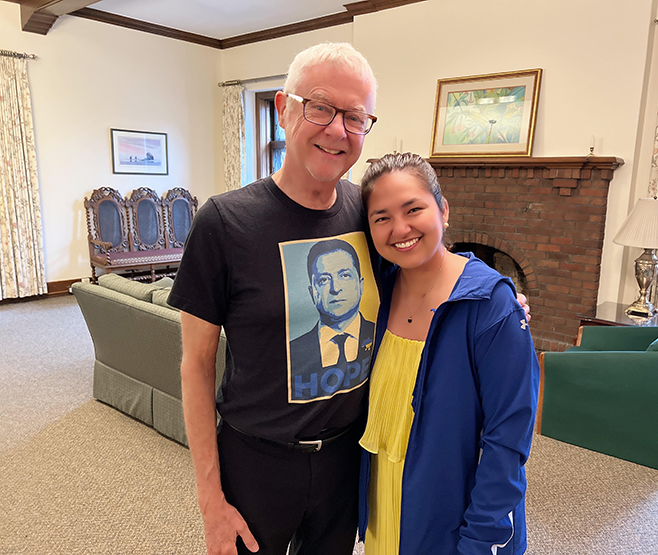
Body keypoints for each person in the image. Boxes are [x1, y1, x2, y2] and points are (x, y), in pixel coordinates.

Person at [169, 42, 531, 555]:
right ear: (283, 108)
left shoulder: (366, 213)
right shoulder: (223, 223)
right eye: (320, 106)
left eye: (355, 117)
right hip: (257, 463)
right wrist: (210, 500)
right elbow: (196, 366)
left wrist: (497, 294)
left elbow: (425, 269)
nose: (337, 129)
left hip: (346, 460)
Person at [357, 152, 539, 555]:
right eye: (381, 217)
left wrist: (480, 538)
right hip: (385, 500)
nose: (399, 228)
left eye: (413, 209)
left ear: (443, 209)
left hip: (451, 515)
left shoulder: (491, 308)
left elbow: (507, 442)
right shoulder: (377, 291)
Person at [289, 238, 375, 401]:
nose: (335, 288)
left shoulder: (380, 333)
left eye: (345, 275)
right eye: (323, 280)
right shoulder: (293, 348)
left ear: (361, 284)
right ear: (312, 292)